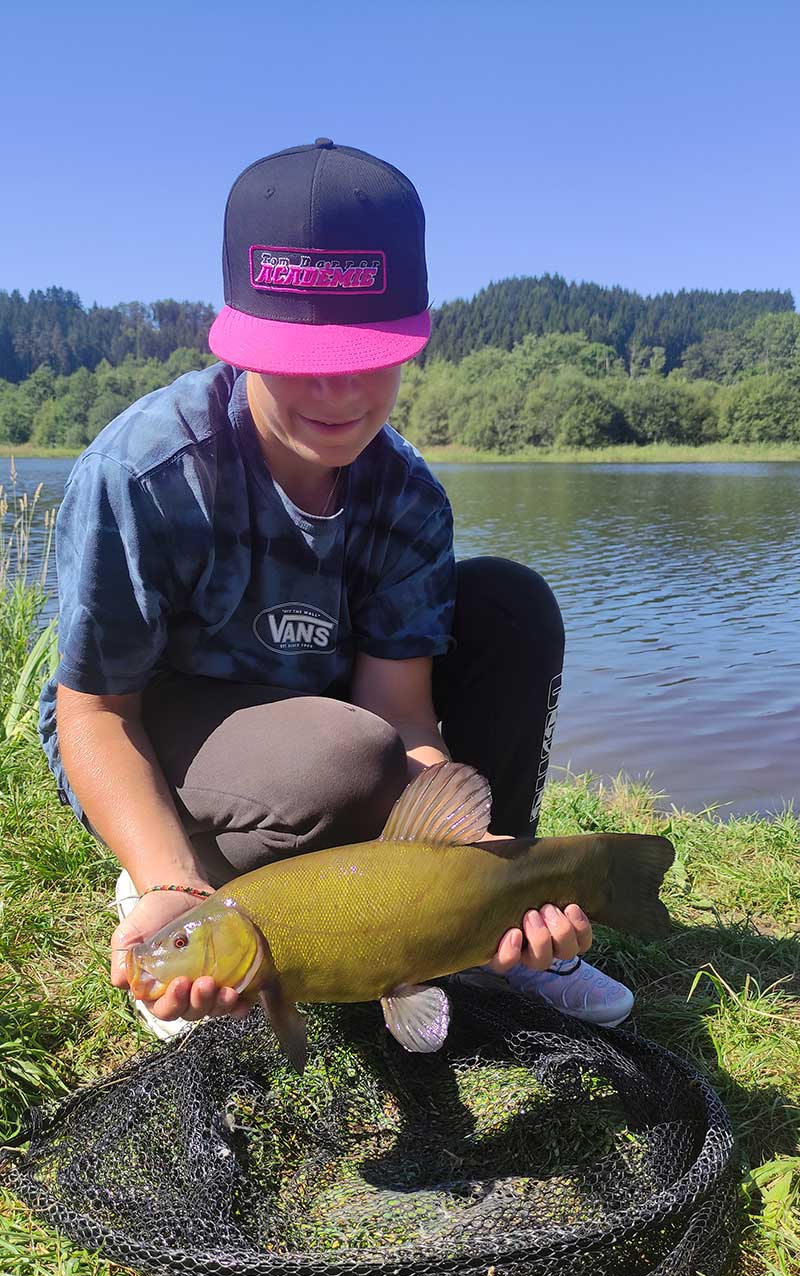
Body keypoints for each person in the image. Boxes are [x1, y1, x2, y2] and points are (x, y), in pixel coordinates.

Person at [38, 138, 634, 1041]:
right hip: (162, 737)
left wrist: (473, 866)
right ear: (240, 339)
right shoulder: (145, 472)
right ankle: (178, 876)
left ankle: (487, 922)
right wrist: (167, 879)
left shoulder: (407, 496)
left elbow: (404, 718)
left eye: (366, 352)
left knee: (510, 609)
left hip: (330, 727)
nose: (337, 388)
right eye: (298, 352)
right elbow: (92, 714)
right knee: (337, 755)